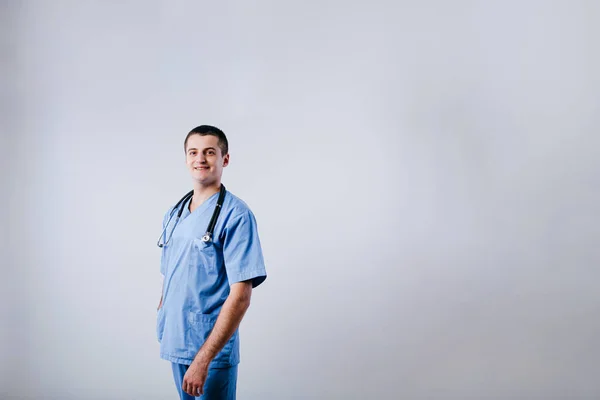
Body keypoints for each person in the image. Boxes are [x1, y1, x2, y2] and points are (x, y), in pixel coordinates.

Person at [156, 125, 267, 399]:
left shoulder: (236, 215)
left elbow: (241, 296)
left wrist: (204, 359)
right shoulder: (175, 213)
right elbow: (170, 274)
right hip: (177, 339)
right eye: (193, 152)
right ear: (186, 159)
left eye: (209, 152)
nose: (200, 159)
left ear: (224, 159)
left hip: (210, 349)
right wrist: (162, 314)